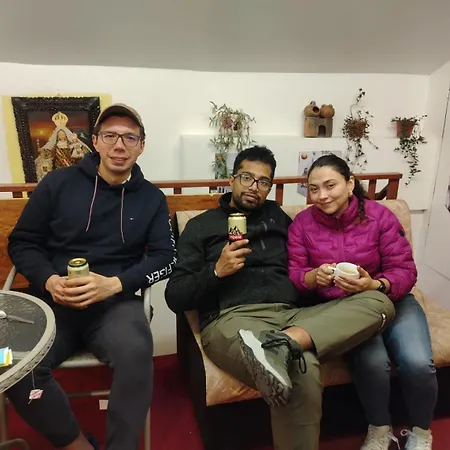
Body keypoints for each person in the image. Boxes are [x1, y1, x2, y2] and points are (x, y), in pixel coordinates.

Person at [165, 146, 395, 450]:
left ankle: (282, 343)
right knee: (300, 370)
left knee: (380, 302)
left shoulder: (278, 218)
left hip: (292, 316)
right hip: (233, 319)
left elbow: (306, 260)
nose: (253, 187)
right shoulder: (200, 226)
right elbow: (175, 296)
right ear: (231, 179)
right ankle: (280, 347)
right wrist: (216, 271)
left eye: (263, 182)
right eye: (246, 177)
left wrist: (322, 275)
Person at [7, 103, 177, 450]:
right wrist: (49, 280)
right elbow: (22, 242)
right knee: (8, 359)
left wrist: (114, 284)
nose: (119, 145)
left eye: (130, 138)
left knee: (136, 352)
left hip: (115, 305)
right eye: (110, 136)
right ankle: (77, 445)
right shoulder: (57, 183)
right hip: (53, 302)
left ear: (142, 146)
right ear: (95, 141)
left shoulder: (152, 198)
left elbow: (166, 256)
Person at [287, 154, 437, 450]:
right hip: (344, 309)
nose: (322, 195)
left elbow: (405, 270)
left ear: (349, 183)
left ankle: (421, 432)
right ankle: (379, 428)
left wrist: (375, 285)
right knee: (372, 363)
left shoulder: (379, 216)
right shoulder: (302, 224)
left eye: (330, 185)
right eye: (314, 189)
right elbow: (294, 274)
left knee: (417, 362)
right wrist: (313, 277)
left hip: (393, 299)